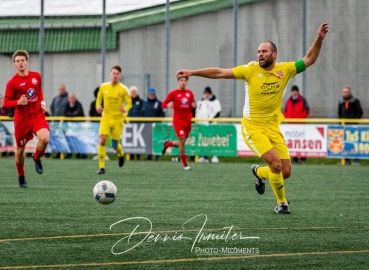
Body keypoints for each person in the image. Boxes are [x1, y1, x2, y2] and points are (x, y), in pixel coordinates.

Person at [175, 23, 330, 213]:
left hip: (273, 127)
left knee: (286, 171)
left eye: (264, 51)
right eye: (258, 51)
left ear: (274, 55)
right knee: (275, 164)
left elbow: (309, 59)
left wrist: (319, 39)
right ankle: (281, 203)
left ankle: (258, 171)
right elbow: (220, 72)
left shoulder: (285, 70)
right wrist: (193, 72)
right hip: (253, 127)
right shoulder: (250, 70)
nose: (260, 54)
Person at [4, 50, 50, 188]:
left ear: (27, 62)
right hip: (22, 120)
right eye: (17, 61)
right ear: (14, 65)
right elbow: (6, 103)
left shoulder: (36, 76)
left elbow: (39, 90)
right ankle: (21, 175)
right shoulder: (12, 83)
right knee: (20, 149)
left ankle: (36, 157)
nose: (20, 63)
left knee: (45, 138)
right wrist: (18, 102)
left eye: (22, 60)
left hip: (36, 115)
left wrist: (42, 103)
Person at [96, 65, 132, 174]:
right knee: (102, 140)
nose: (115, 75)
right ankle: (101, 167)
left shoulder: (123, 89)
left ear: (120, 76)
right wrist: (98, 106)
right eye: (113, 73)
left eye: (117, 74)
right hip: (106, 117)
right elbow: (99, 99)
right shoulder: (103, 87)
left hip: (118, 119)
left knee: (115, 145)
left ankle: (120, 154)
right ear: (110, 74)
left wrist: (124, 109)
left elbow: (129, 103)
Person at [161, 77, 196, 170]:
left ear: (187, 82)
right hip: (178, 121)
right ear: (178, 82)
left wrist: (194, 105)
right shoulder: (173, 93)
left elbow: (193, 104)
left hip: (188, 121)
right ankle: (185, 164)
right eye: (181, 80)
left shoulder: (190, 93)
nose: (183, 82)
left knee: (182, 143)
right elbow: (163, 104)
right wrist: (168, 105)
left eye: (185, 81)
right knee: (181, 139)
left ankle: (168, 144)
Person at [283, 85, 310, 164]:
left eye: (295, 91)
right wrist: (287, 118)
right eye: (293, 91)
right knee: (293, 142)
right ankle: (294, 158)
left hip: (300, 124)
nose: (294, 92)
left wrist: (301, 118)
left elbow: (307, 110)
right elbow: (285, 111)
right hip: (291, 125)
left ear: (297, 92)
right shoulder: (288, 100)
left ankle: (303, 158)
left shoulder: (303, 99)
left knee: (301, 142)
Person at [338, 85, 363, 165]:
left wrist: (354, 122)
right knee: (345, 143)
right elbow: (339, 113)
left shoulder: (355, 101)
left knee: (355, 143)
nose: (345, 93)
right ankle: (346, 160)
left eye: (346, 92)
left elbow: (359, 112)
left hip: (353, 126)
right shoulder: (341, 101)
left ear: (350, 92)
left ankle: (356, 160)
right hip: (344, 126)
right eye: (344, 92)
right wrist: (340, 123)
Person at [196, 86, 222, 163]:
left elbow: (217, 112)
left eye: (207, 93)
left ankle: (215, 156)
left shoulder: (215, 101)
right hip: (202, 125)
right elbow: (198, 111)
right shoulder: (201, 101)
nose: (206, 95)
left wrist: (210, 120)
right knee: (203, 141)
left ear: (210, 93)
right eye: (204, 93)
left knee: (213, 141)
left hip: (211, 125)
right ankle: (204, 156)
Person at [142, 87, 165, 161]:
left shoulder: (159, 103)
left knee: (157, 140)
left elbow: (162, 113)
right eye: (150, 94)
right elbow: (142, 113)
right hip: (147, 125)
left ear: (155, 94)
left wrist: (158, 121)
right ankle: (149, 156)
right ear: (148, 94)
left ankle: (157, 156)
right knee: (148, 141)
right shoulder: (145, 103)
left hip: (156, 126)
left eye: (153, 94)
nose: (151, 95)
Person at [64, 93, 86, 159]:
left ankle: (81, 154)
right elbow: (65, 113)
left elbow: (79, 112)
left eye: (73, 98)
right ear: (68, 99)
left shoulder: (79, 104)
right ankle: (69, 154)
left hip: (79, 126)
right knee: (69, 140)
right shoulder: (67, 104)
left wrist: (71, 115)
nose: (71, 99)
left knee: (79, 140)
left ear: (75, 98)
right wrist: (73, 114)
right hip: (70, 126)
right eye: (70, 98)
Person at [128, 85, 144, 160]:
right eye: (132, 92)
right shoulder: (128, 101)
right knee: (130, 140)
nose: (133, 93)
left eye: (134, 92)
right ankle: (131, 155)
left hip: (138, 124)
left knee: (138, 140)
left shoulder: (141, 101)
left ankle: (138, 155)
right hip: (129, 123)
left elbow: (142, 111)